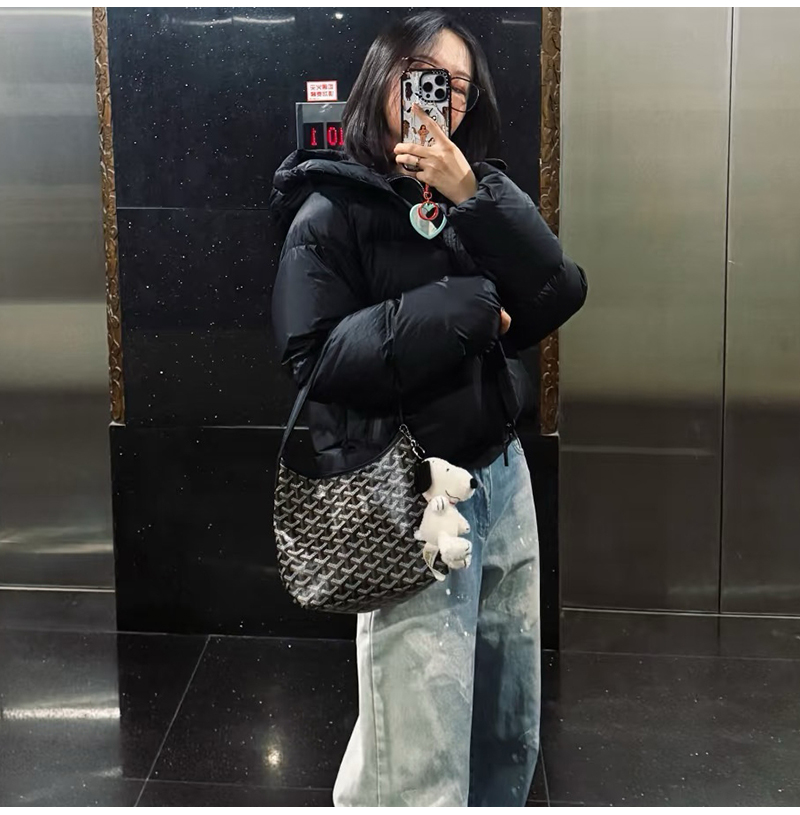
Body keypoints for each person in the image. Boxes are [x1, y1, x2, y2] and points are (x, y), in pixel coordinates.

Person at [270, 11, 587, 808]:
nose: (442, 99)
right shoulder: (330, 206)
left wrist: (471, 193)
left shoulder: (474, 193)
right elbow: (314, 359)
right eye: (427, 79)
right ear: (385, 78)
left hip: (502, 480)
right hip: (414, 496)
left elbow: (558, 290)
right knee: (419, 753)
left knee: (506, 726)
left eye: (459, 88)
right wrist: (467, 305)